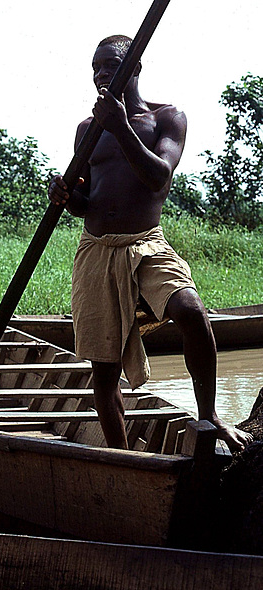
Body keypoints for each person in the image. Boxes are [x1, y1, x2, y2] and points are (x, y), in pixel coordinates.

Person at [48, 34, 252, 453]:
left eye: (109, 66)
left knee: (190, 310)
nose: (101, 75)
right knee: (103, 372)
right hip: (97, 249)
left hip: (146, 244)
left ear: (134, 68)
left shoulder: (167, 118)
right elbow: (87, 202)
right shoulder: (87, 130)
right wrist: (67, 197)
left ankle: (209, 416)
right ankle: (123, 459)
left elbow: (159, 176)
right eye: (95, 69)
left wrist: (120, 125)